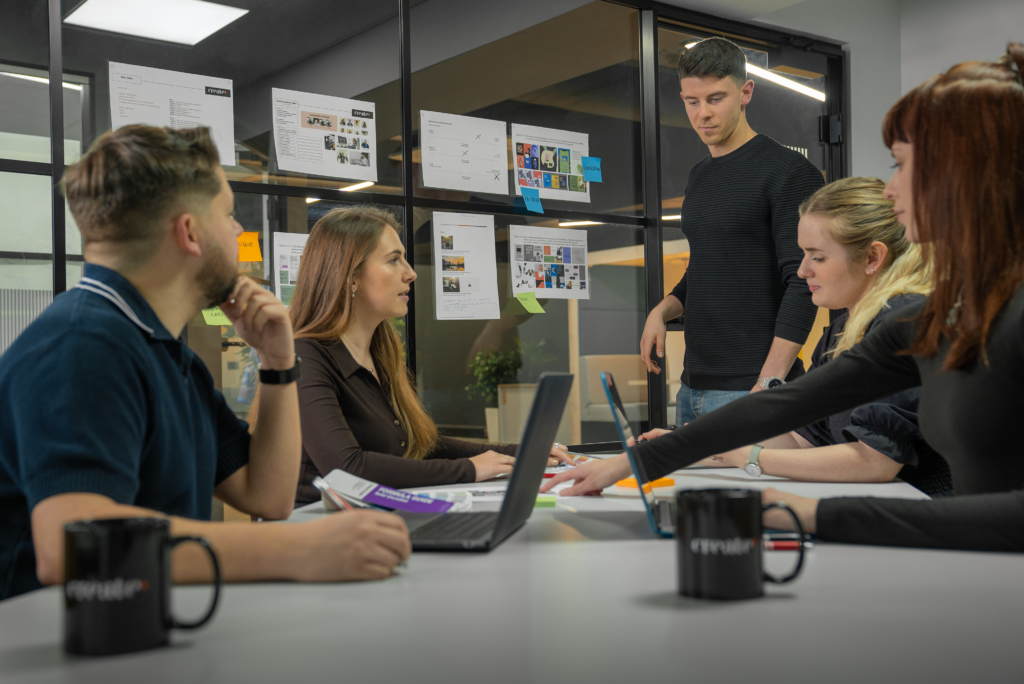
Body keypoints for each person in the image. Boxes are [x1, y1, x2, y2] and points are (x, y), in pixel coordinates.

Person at [544, 45, 1024, 553]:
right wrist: (632, 464)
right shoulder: (938, 316)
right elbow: (787, 405)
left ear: (970, 174)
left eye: (903, 165)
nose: (890, 190)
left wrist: (807, 512)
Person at [0, 125, 411, 601]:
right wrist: (297, 547)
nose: (239, 231)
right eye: (230, 215)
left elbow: (267, 496)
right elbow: (74, 546)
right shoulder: (82, 347)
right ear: (190, 233)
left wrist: (278, 365)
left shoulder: (165, 352)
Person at [245, 207, 571, 506]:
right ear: (350, 276)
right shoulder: (306, 356)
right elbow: (346, 469)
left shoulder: (380, 353)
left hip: (373, 520)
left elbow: (421, 444)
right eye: (393, 260)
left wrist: (520, 453)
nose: (411, 273)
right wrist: (469, 470)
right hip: (315, 533)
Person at [666, 177, 950, 496]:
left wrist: (750, 457)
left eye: (817, 256)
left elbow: (875, 462)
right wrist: (699, 448)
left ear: (872, 258)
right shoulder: (842, 329)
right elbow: (803, 440)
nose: (802, 271)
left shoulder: (907, 321)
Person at [640, 37, 824, 427]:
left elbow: (803, 282)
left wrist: (769, 382)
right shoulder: (699, 175)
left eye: (716, 99)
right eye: (692, 101)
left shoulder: (789, 172)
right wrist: (663, 309)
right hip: (692, 388)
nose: (702, 114)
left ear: (745, 92)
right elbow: (708, 266)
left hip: (754, 388)